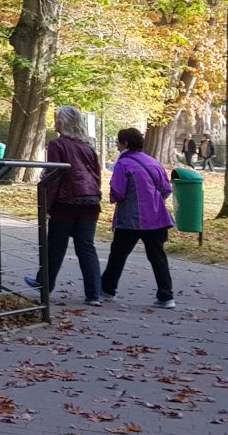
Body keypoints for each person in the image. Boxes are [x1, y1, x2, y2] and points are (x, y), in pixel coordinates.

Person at [24, 106, 105, 306]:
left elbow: (54, 177)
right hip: (90, 200)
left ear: (64, 122)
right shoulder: (88, 147)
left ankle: (45, 284)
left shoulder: (57, 145)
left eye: (57, 119)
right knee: (86, 247)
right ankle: (94, 293)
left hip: (66, 201)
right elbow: (96, 175)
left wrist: (46, 205)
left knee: (56, 246)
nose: (55, 122)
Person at [101, 127, 177, 308]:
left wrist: (115, 198)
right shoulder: (154, 162)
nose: (117, 146)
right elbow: (166, 189)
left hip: (131, 219)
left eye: (118, 142)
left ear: (125, 143)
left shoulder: (123, 164)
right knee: (158, 257)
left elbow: (118, 192)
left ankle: (107, 289)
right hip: (157, 218)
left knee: (118, 254)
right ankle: (166, 296)